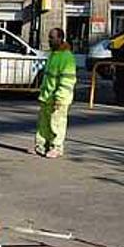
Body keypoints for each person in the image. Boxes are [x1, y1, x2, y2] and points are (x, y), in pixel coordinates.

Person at [34, 27, 77, 158]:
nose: (49, 40)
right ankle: (41, 145)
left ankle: (56, 147)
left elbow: (67, 80)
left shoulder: (67, 57)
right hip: (47, 96)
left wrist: (60, 97)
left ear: (60, 38)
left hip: (58, 98)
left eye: (52, 38)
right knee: (44, 123)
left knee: (57, 123)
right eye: (49, 37)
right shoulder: (54, 54)